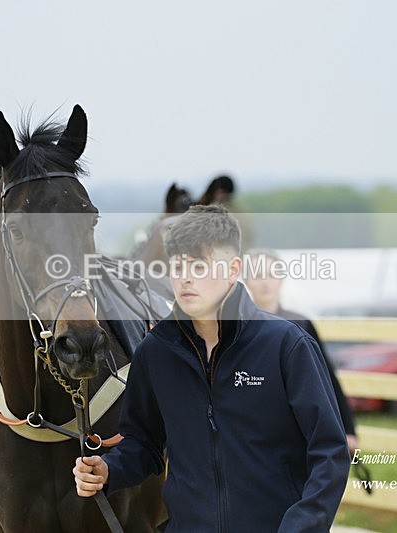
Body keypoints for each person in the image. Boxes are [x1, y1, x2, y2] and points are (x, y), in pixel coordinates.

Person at [74, 205, 349, 531]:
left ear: (233, 269)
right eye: (177, 266)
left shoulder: (286, 345)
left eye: (199, 266)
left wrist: (300, 527)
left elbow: (330, 453)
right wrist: (109, 470)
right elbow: (144, 444)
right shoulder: (155, 352)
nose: (185, 277)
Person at [243, 248, 359, 455]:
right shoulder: (238, 327)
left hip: (296, 425)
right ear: (246, 280)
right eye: (257, 275)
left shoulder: (301, 324)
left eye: (272, 274)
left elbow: (327, 378)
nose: (265, 282)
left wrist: (348, 429)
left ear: (282, 279)